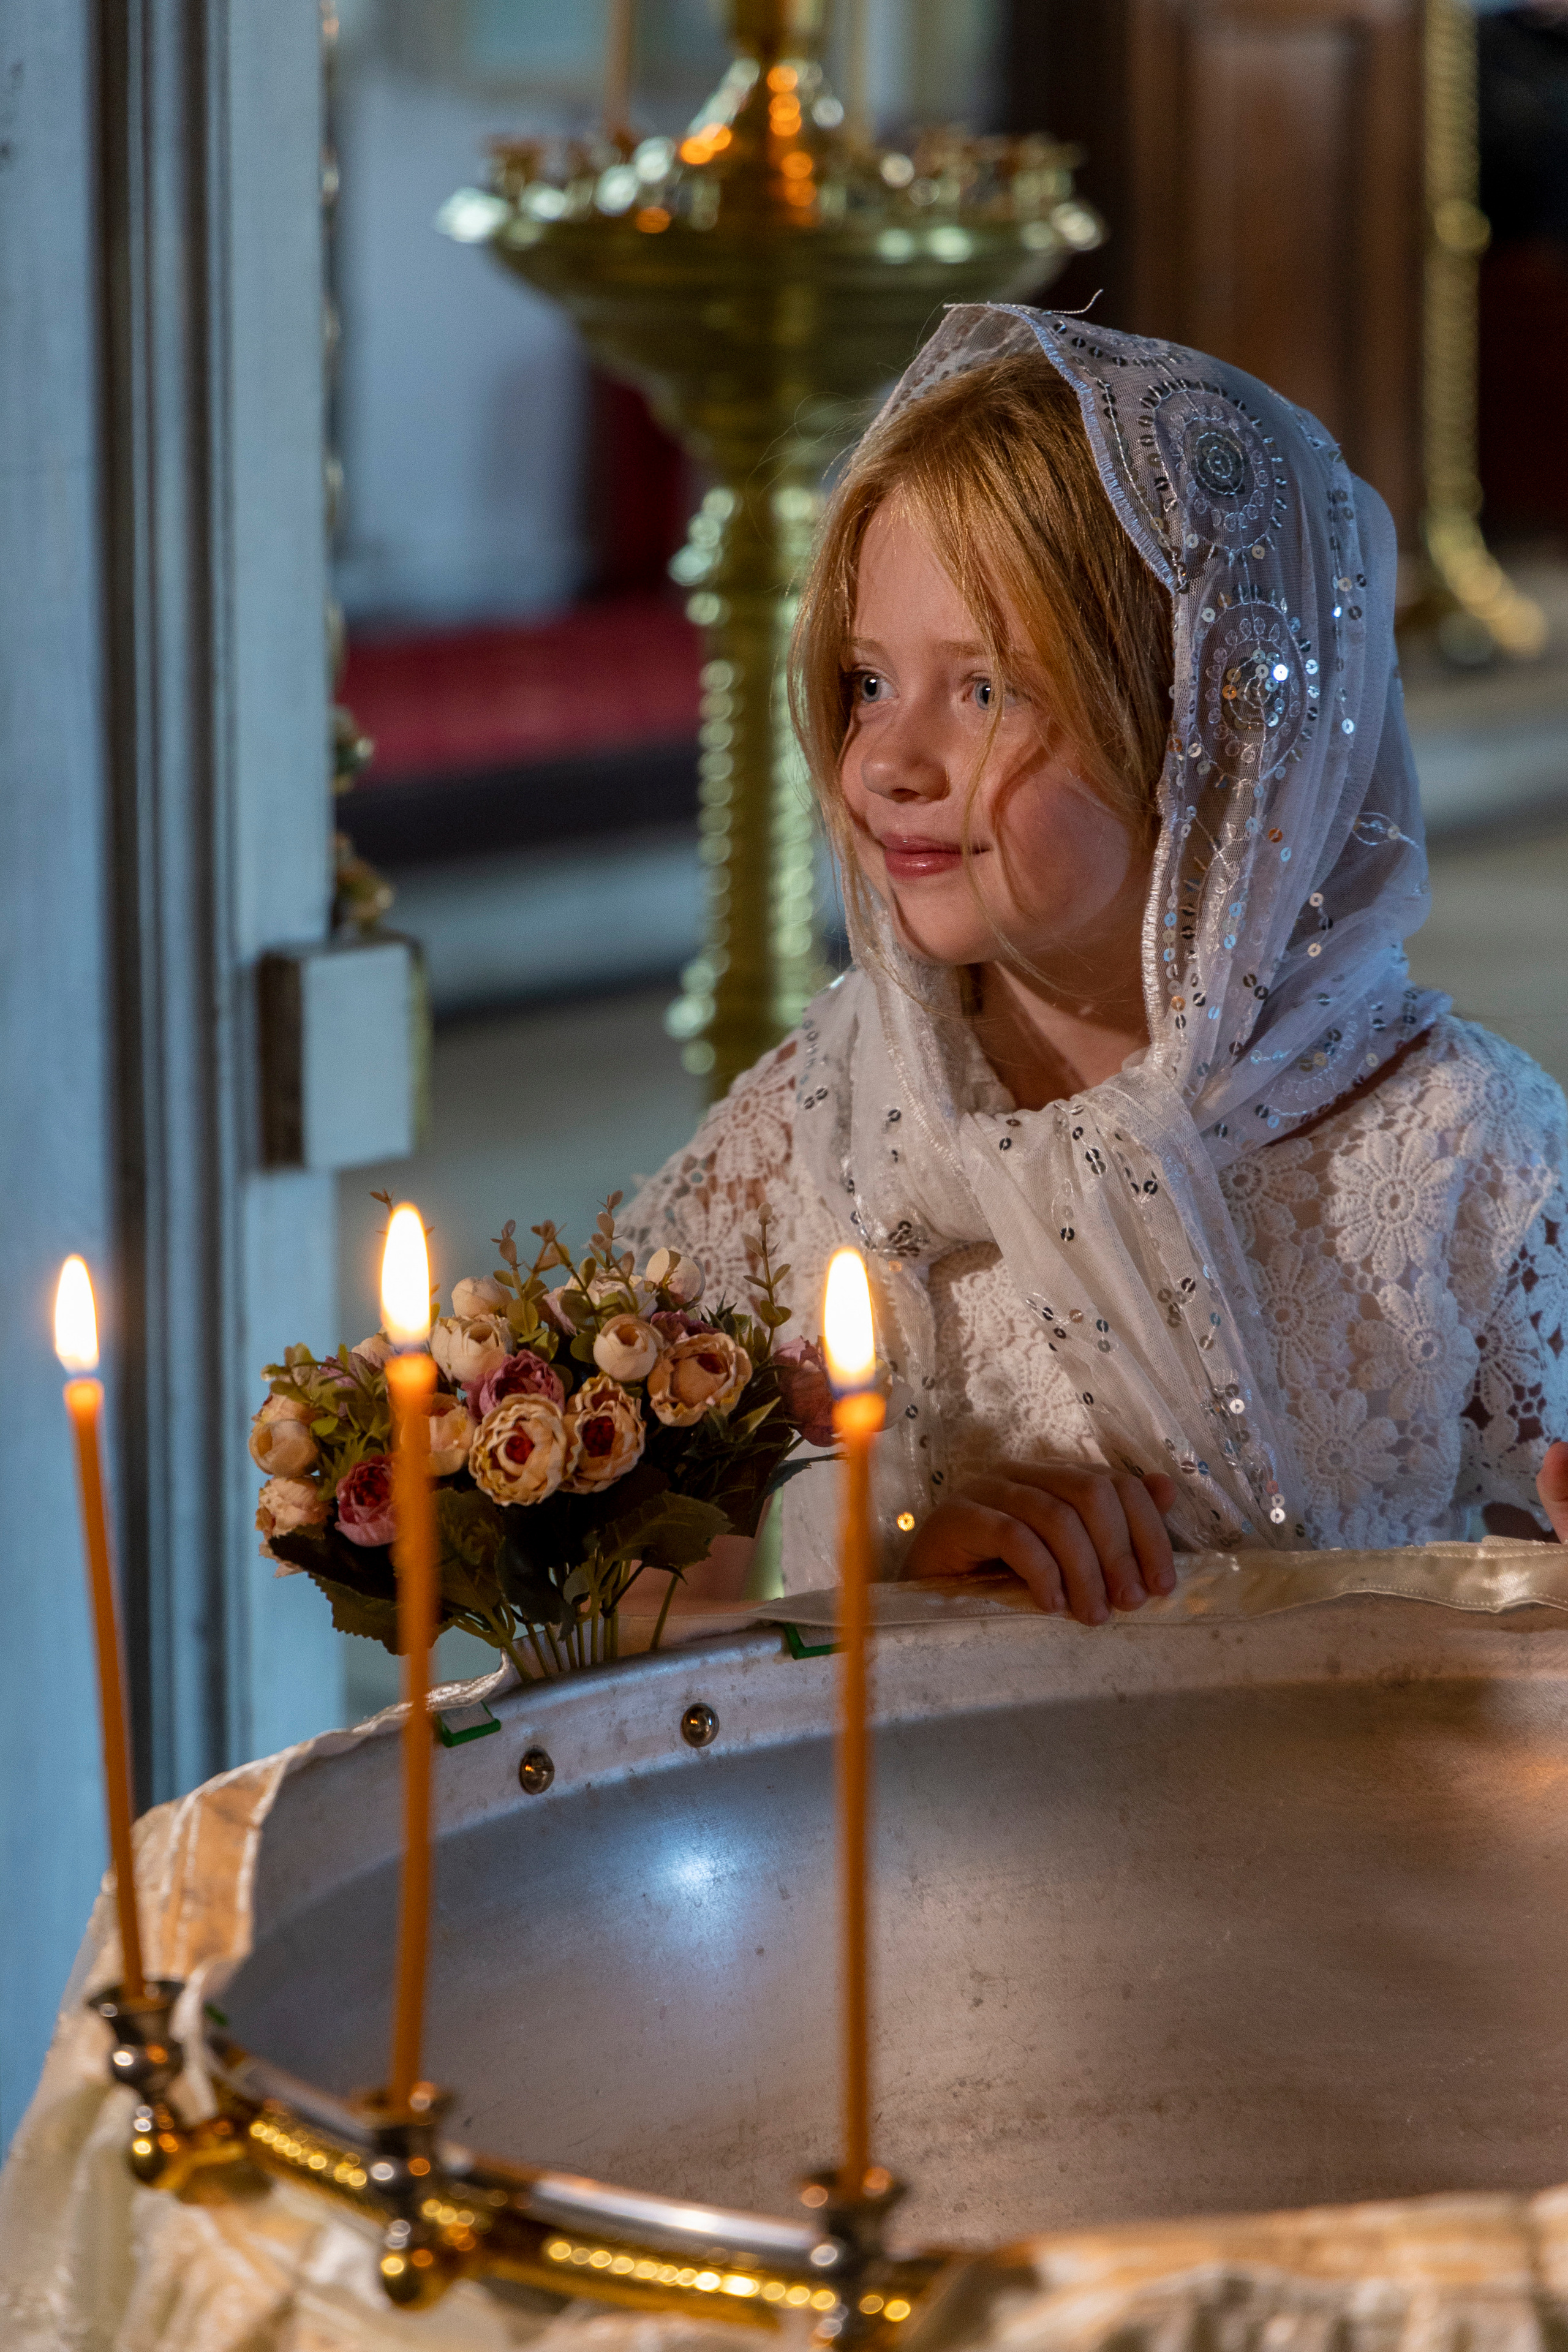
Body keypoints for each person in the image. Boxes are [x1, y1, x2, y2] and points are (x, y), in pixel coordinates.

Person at [623, 305, 1568, 1623]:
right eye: (867, 682)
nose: (884, 765)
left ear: (1206, 738)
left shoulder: (1460, 1153)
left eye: (986, 691)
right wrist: (906, 1594)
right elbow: (643, 1663)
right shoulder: (805, 1141)